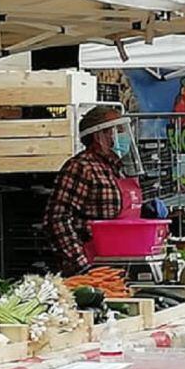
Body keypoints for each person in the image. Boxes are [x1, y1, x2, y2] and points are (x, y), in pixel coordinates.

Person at [44, 107, 144, 275]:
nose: (124, 135)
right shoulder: (81, 167)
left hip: (123, 262)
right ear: (99, 136)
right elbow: (57, 219)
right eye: (117, 130)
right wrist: (82, 266)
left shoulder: (119, 168)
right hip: (94, 265)